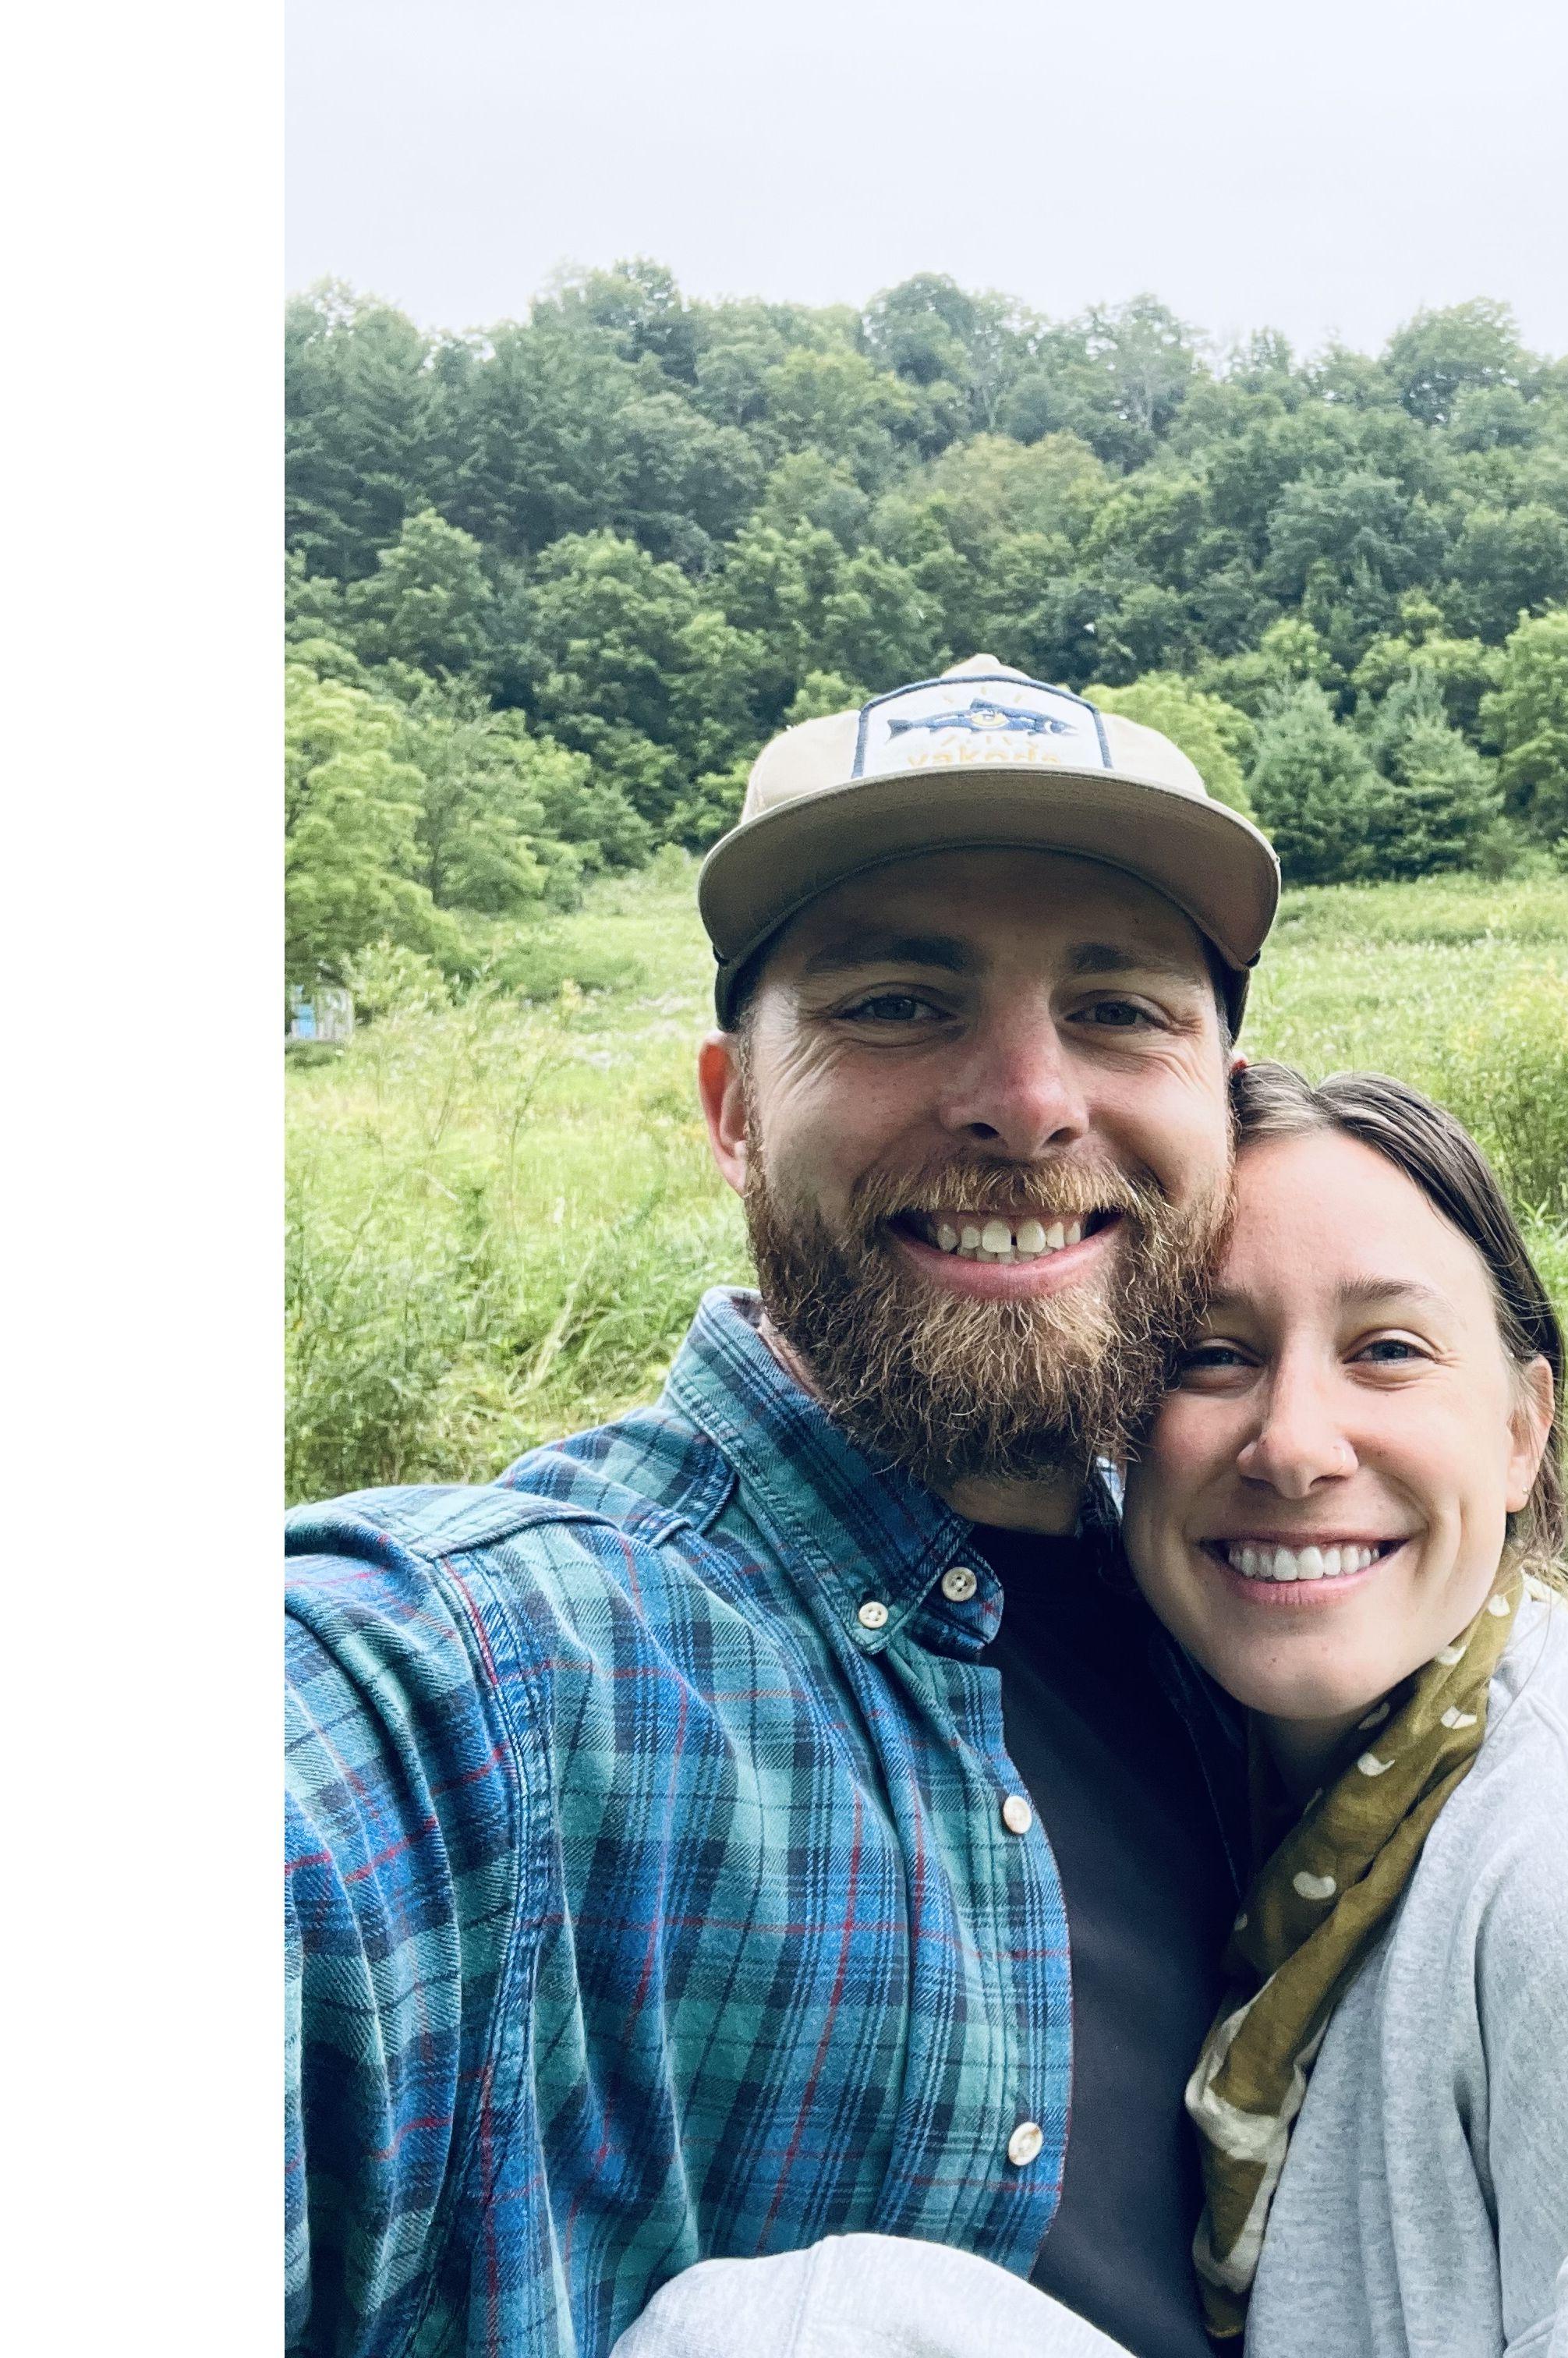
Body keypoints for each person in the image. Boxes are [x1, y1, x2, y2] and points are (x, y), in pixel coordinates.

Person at [618, 1063, 1568, 2358]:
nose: (1296, 1445)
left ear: (1522, 1432)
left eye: (1388, 1351)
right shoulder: (1274, 1808)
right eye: (1210, 1356)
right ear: (1117, 1436)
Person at [284, 656, 1282, 2358]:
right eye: (895, 1003)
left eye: (1121, 1009)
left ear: (1225, 1107)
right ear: (736, 1114)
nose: (1029, 1099)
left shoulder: (1278, 1611)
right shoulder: (484, 1687)